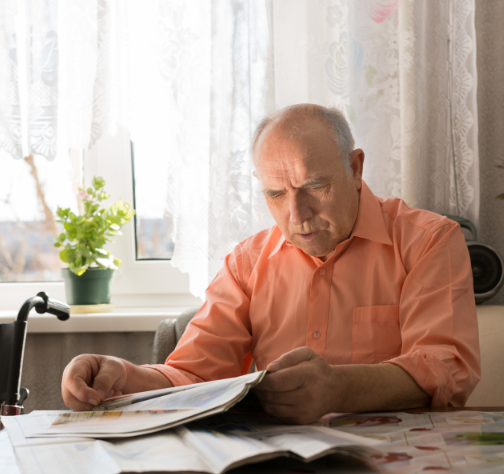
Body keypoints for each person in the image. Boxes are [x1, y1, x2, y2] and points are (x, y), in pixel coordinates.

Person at [61, 103, 480, 424]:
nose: (296, 215)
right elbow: (193, 376)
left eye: (314, 185)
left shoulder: (428, 241)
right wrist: (121, 376)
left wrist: (339, 389)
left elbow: (447, 370)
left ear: (355, 168)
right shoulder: (246, 264)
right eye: (276, 195)